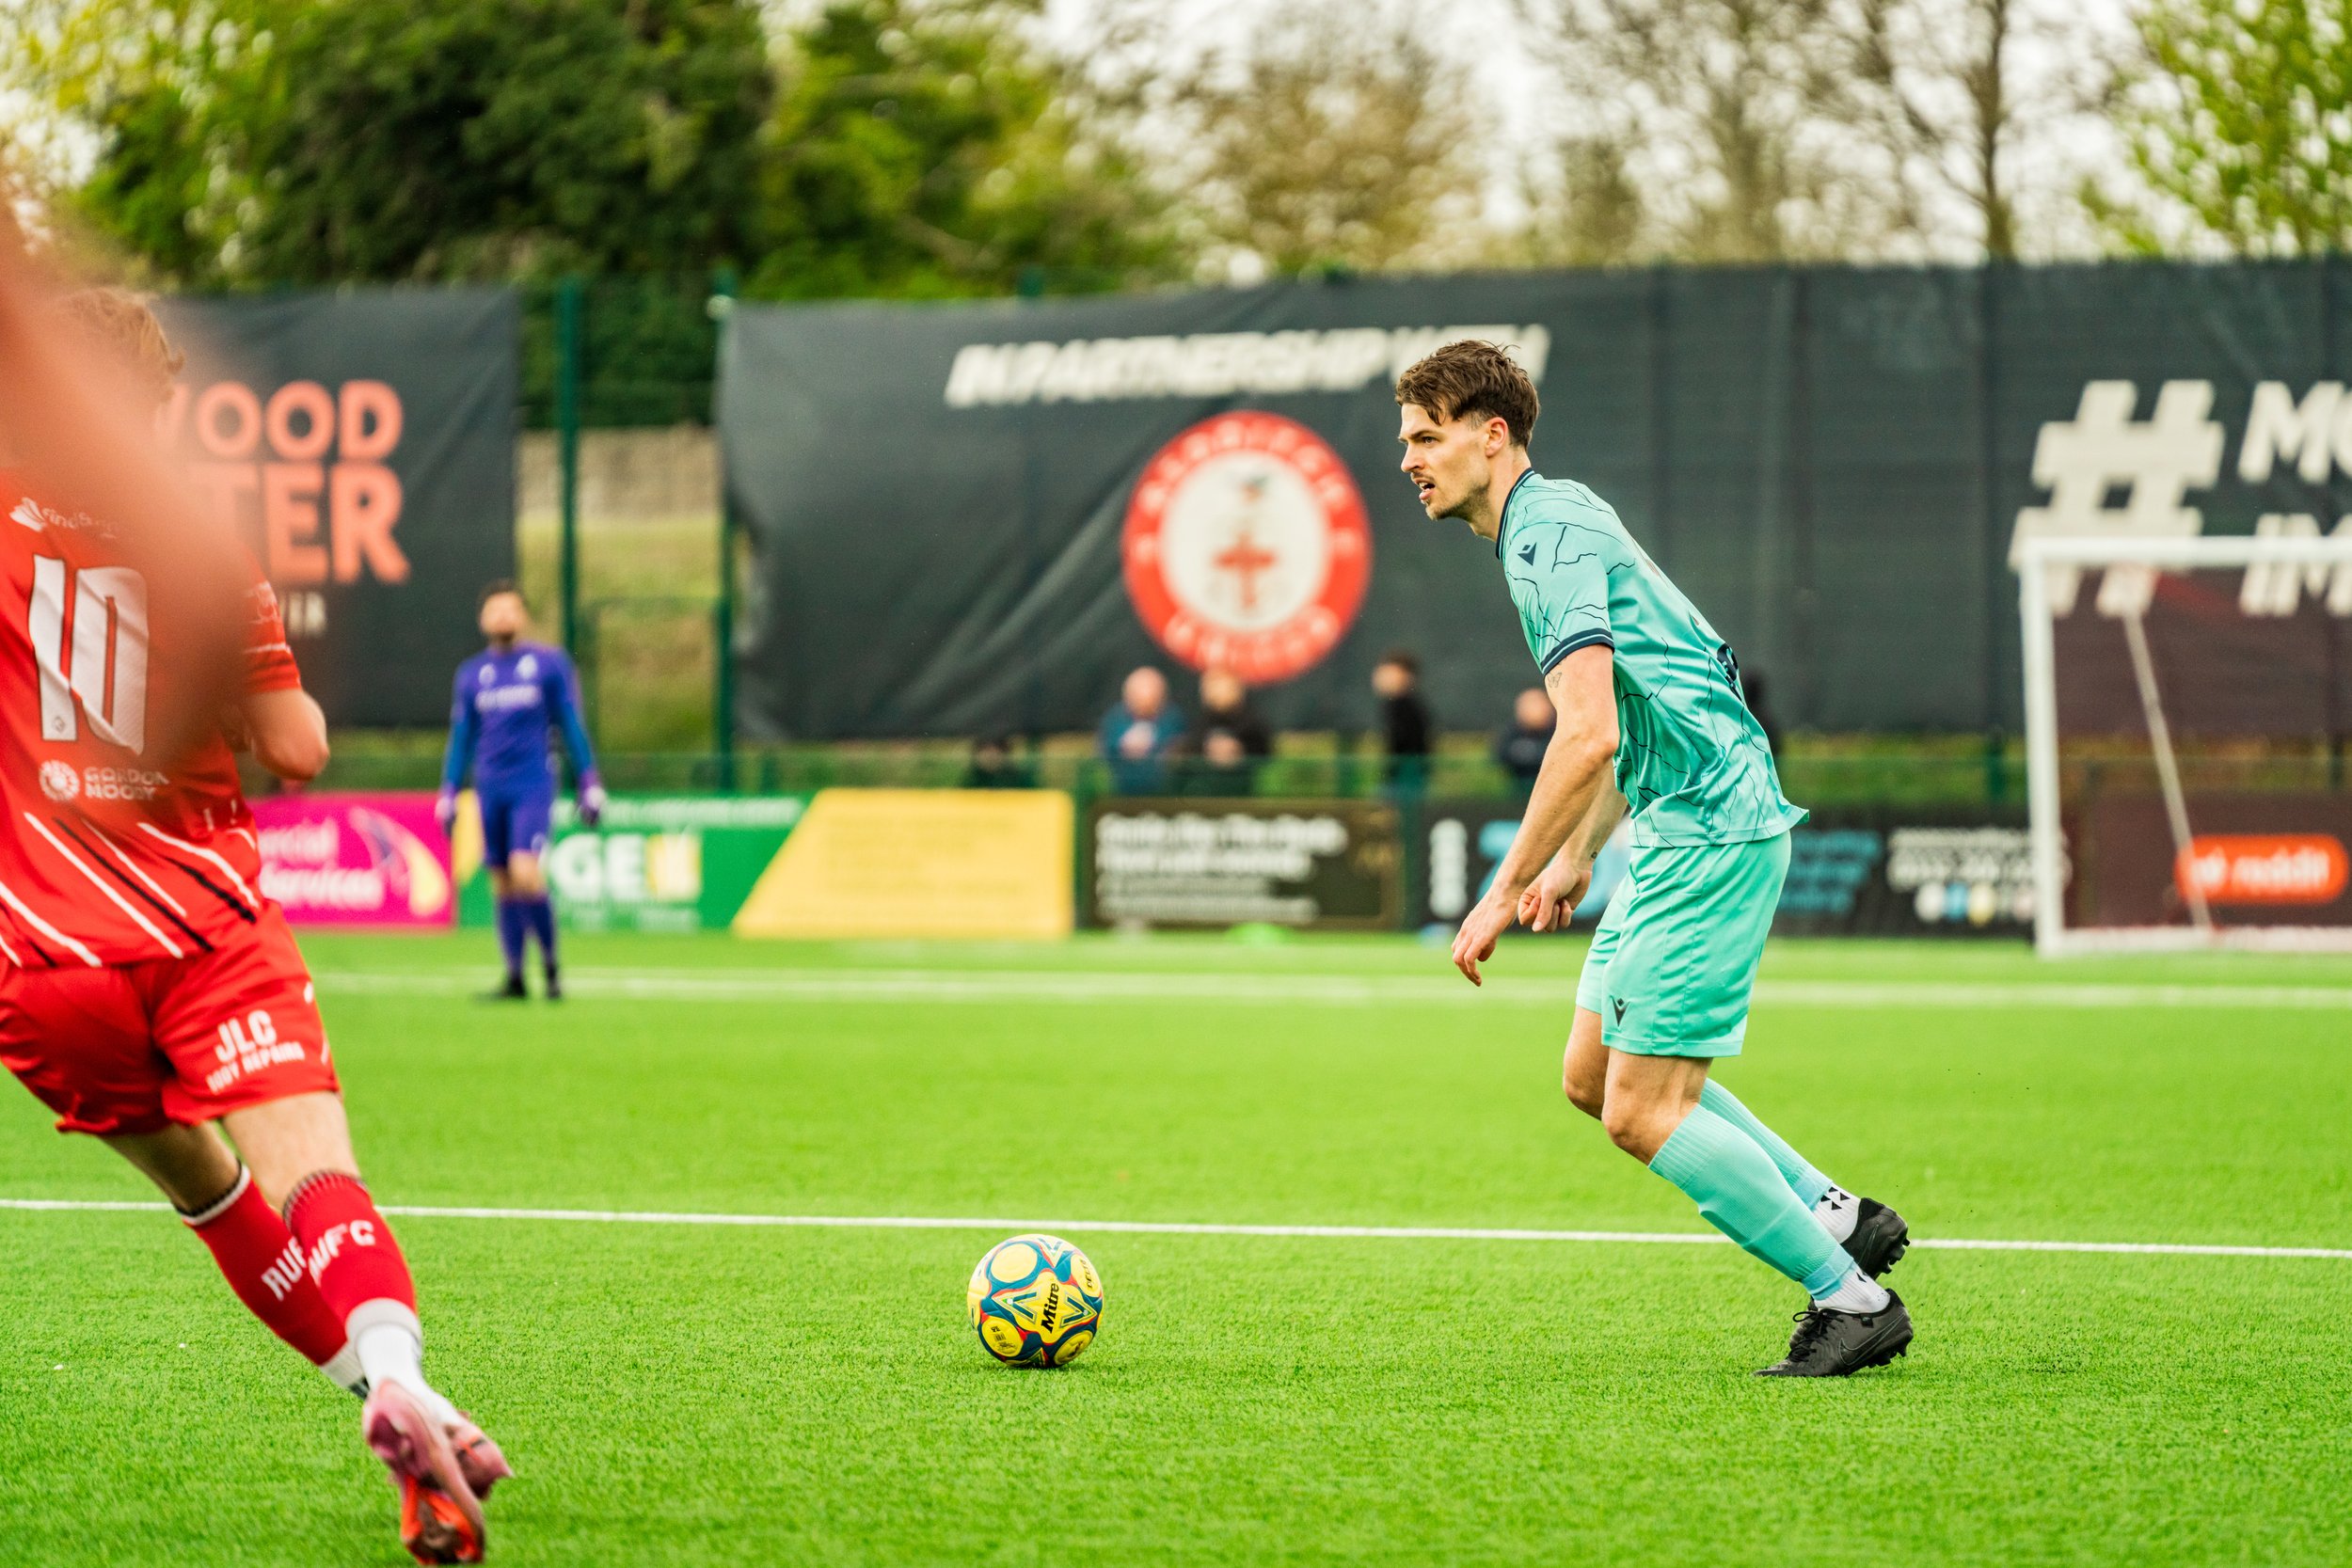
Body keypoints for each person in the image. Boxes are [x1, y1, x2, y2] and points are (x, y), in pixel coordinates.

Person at [0, 290, 510, 1561]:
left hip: (38, 960)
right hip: (200, 922)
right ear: (151, 405)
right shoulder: (197, 545)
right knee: (315, 1172)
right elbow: (298, 746)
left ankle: (402, 1410)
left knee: (212, 1191)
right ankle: (396, 1368)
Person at [1398, 339, 1912, 1378]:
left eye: (1424, 436)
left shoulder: (1544, 541)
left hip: (1710, 825)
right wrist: (1579, 851)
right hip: (1680, 816)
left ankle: (1850, 1299)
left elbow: (1583, 732)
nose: (1408, 459)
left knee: (1642, 1110)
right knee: (1591, 1075)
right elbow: (1638, 707)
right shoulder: (1554, 518)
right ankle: (1837, 1212)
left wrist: (1498, 891)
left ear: (1491, 436)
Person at [437, 584, 603, 1001]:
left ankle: (550, 968)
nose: (503, 617)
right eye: (495, 610)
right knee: (502, 880)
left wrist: (589, 780)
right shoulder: (472, 674)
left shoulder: (548, 664)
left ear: (523, 617)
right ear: (483, 620)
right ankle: (514, 976)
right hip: (490, 785)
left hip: (532, 781)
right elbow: (462, 736)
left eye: (511, 610)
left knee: (526, 871)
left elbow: (570, 722)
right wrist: (450, 789)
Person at [1097, 666, 1184, 795]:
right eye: (1138, 694)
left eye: (1152, 694)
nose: (1145, 700)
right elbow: (1105, 753)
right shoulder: (1114, 720)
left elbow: (1178, 756)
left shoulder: (1173, 720)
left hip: (1164, 795)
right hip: (1120, 794)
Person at [1372, 650, 1432, 793]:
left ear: (1406, 677)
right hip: (1400, 780)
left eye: (1389, 673)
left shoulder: (1408, 709)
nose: (1381, 677)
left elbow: (1410, 748)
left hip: (1406, 782)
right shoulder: (1394, 707)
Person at [1493, 687, 1554, 794]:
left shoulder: (1558, 730)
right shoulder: (1511, 732)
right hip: (1518, 790)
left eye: (1538, 703)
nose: (1534, 709)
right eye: (1529, 704)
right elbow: (1500, 756)